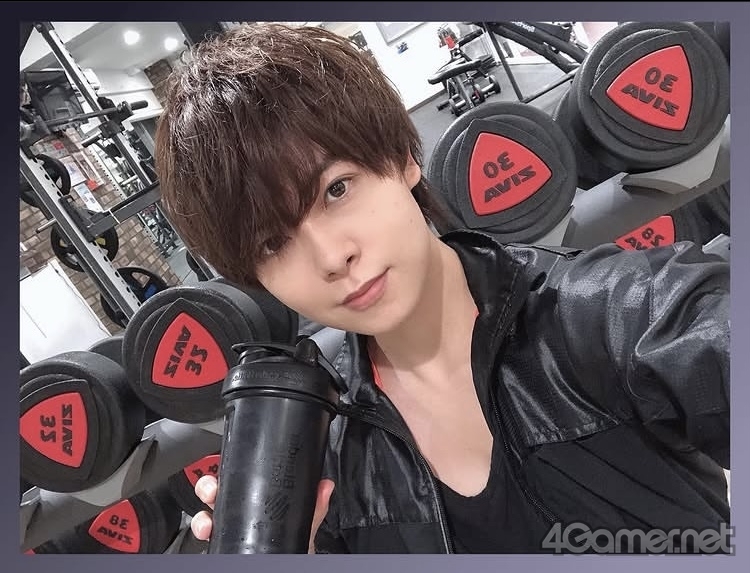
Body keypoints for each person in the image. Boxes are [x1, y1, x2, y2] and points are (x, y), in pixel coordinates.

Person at [154, 22, 730, 554]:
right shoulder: (327, 470)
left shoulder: (614, 312)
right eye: (272, 243)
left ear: (404, 158)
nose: (331, 257)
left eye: (336, 190)